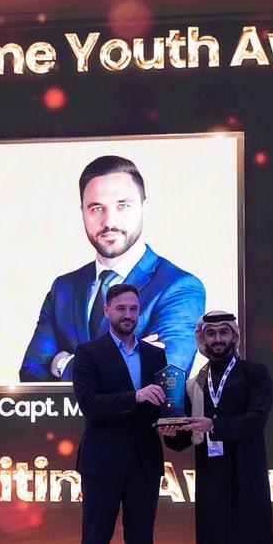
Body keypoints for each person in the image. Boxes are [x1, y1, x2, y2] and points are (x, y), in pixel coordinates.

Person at [19, 155, 205, 382]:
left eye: (122, 206)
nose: (109, 221)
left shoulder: (179, 288)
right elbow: (31, 371)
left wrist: (62, 363)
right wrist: (126, 360)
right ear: (83, 212)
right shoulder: (64, 288)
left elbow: (165, 377)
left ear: (144, 209)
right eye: (96, 208)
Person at [161, 311, 273, 544]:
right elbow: (186, 437)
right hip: (211, 473)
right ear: (202, 340)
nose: (218, 340)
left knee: (255, 539)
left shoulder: (255, 374)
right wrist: (171, 434)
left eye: (223, 333)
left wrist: (214, 425)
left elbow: (257, 418)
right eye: (211, 334)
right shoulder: (195, 384)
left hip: (247, 468)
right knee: (213, 542)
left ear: (234, 337)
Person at [71, 283, 168, 544]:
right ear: (107, 311)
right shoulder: (88, 353)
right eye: (121, 308)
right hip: (102, 461)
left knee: (141, 543)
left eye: (134, 309)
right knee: (95, 541)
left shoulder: (155, 356)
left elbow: (163, 406)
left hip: (144, 460)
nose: (128, 315)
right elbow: (89, 403)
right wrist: (135, 397)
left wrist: (175, 420)